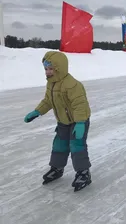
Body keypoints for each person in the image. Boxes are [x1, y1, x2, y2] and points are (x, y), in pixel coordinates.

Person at [23, 51, 92, 192]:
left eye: (50, 69)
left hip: (78, 122)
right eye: (46, 69)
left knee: (76, 145)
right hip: (63, 121)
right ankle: (57, 168)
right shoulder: (51, 84)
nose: (47, 72)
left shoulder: (73, 85)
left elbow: (80, 105)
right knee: (59, 145)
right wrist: (37, 111)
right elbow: (48, 101)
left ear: (59, 68)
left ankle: (84, 172)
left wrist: (80, 123)